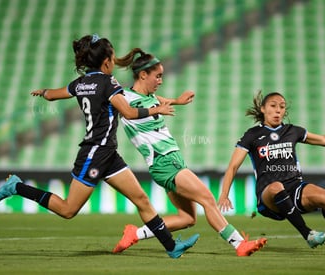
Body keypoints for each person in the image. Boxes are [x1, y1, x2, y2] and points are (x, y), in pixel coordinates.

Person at [0, 34, 199, 259]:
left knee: (141, 199)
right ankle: (17, 187)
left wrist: (43, 92)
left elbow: (54, 95)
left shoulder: (80, 83)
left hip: (107, 153)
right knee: (68, 210)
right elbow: (129, 112)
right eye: (112, 57)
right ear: (107, 61)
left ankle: (171, 247)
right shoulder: (109, 83)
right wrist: (155, 110)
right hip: (94, 153)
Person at [111, 48, 267, 257]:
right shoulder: (124, 98)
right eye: (158, 76)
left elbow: (158, 101)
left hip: (173, 161)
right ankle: (239, 244)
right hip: (163, 162)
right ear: (142, 75)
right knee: (208, 199)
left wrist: (177, 100)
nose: (160, 80)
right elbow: (131, 110)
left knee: (187, 218)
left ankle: (135, 233)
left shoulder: (151, 96)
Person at [218, 91, 325, 256]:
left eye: (282, 107)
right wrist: (224, 194)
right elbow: (233, 166)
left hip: (294, 186)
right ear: (263, 109)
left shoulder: (292, 131)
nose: (278, 110)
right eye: (273, 106)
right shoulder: (252, 135)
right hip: (268, 194)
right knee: (276, 186)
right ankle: (308, 234)